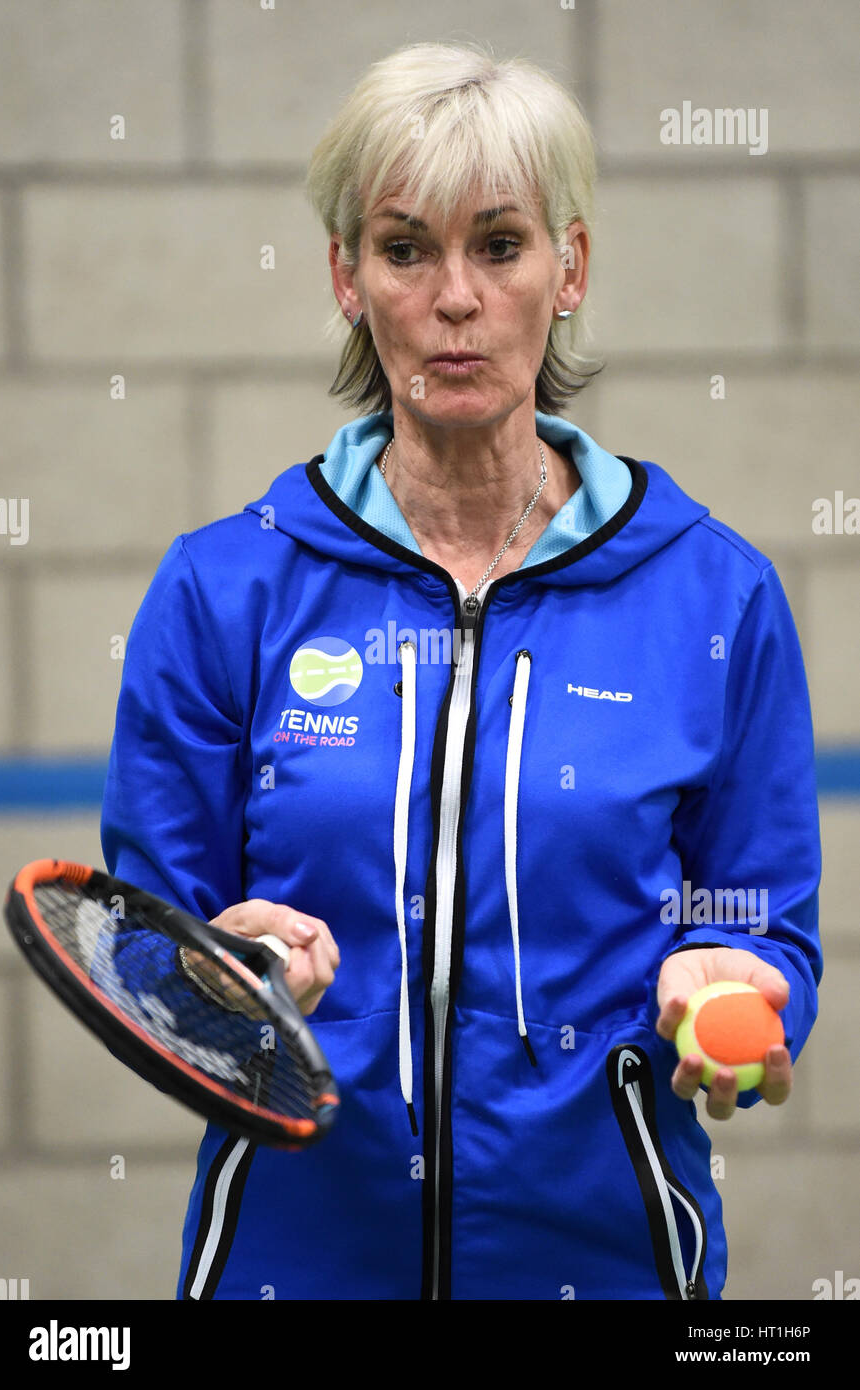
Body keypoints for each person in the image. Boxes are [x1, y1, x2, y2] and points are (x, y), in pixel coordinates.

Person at [100, 40, 822, 1300]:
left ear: (568, 268)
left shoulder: (714, 595)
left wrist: (740, 993)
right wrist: (229, 983)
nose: (452, 298)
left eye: (497, 245)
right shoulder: (223, 589)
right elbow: (152, 966)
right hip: (294, 1268)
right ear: (344, 277)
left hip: (607, 1271)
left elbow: (768, 937)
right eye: (402, 249)